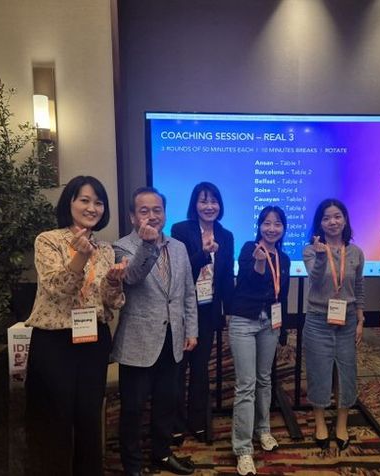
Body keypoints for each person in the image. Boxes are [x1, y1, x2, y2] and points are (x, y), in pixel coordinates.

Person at [25, 175, 127, 476]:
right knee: (55, 418)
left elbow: (111, 302)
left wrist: (114, 282)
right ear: (69, 202)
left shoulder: (105, 249)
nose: (92, 208)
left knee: (88, 418)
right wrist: (80, 257)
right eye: (84, 200)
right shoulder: (48, 240)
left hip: (93, 340)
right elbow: (57, 289)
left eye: (98, 202)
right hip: (55, 342)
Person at [112, 186, 198, 476]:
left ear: (165, 213)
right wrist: (148, 245)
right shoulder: (121, 247)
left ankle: (162, 454)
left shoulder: (178, 247)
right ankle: (132, 464)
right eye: (144, 210)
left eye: (157, 210)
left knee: (166, 403)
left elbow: (188, 292)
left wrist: (191, 329)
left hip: (173, 338)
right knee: (133, 408)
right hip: (138, 341)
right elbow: (132, 278)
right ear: (132, 217)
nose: (152, 215)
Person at [170, 182, 235, 444]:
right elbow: (179, 270)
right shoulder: (180, 230)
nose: (209, 206)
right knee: (178, 369)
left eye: (213, 201)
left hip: (208, 310)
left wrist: (229, 311)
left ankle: (197, 422)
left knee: (200, 369)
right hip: (183, 311)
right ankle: (175, 423)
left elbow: (226, 277)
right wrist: (204, 254)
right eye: (203, 201)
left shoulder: (226, 235)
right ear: (194, 204)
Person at [228, 205, 290, 476]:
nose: (272, 228)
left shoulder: (284, 259)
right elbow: (246, 283)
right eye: (267, 223)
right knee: (246, 385)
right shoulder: (248, 249)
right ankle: (243, 449)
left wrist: (282, 327)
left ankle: (262, 429)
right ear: (260, 226)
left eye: (277, 224)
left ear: (283, 228)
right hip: (244, 321)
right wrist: (259, 263)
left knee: (265, 379)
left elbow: (282, 295)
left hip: (270, 324)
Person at [302, 199, 365, 452]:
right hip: (318, 318)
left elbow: (358, 287)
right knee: (318, 371)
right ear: (320, 223)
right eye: (326, 218)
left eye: (337, 216)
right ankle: (319, 422)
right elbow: (315, 280)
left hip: (348, 319)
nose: (332, 222)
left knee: (347, 372)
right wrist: (320, 256)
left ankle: (341, 423)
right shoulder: (310, 250)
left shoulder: (356, 252)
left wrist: (360, 319)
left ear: (345, 220)